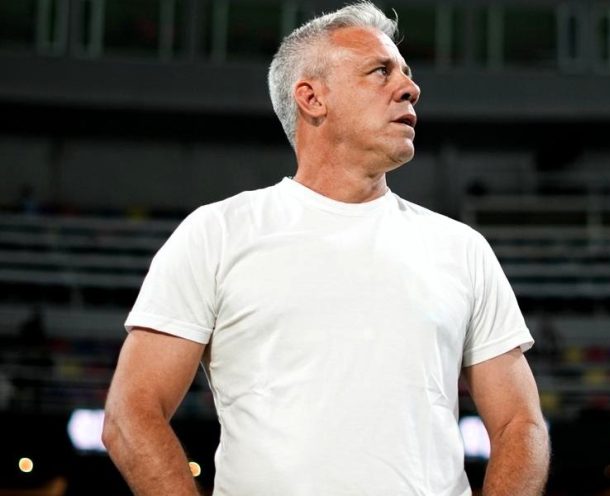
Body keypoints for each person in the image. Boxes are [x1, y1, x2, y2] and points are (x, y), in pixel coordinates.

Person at [102, 2, 550, 495]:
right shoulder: (218, 234)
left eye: (406, 72)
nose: (410, 87)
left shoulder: (462, 249)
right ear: (312, 98)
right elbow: (131, 414)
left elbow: (519, 424)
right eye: (381, 71)